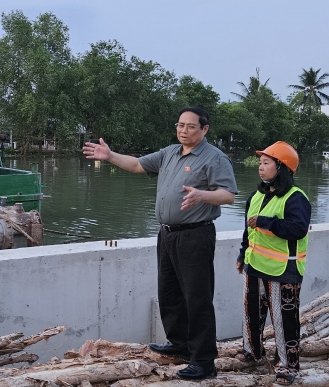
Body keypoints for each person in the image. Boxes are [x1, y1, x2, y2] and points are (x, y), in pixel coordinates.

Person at [83, 107, 237, 380]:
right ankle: (180, 345)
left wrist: (202, 195)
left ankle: (204, 361)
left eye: (191, 126)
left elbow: (228, 196)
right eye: (180, 125)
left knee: (197, 298)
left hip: (195, 235)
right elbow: (137, 165)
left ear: (205, 129)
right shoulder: (170, 153)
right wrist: (109, 156)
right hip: (167, 234)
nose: (183, 130)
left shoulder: (215, 158)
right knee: (170, 294)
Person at [235, 141, 310, 386]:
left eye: (267, 163)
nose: (260, 167)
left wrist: (266, 222)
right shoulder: (256, 195)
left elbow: (297, 229)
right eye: (260, 163)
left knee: (283, 319)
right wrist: (241, 254)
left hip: (283, 269)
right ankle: (252, 352)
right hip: (254, 265)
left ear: (282, 167)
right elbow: (249, 230)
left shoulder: (295, 197)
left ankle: (288, 366)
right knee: (251, 313)